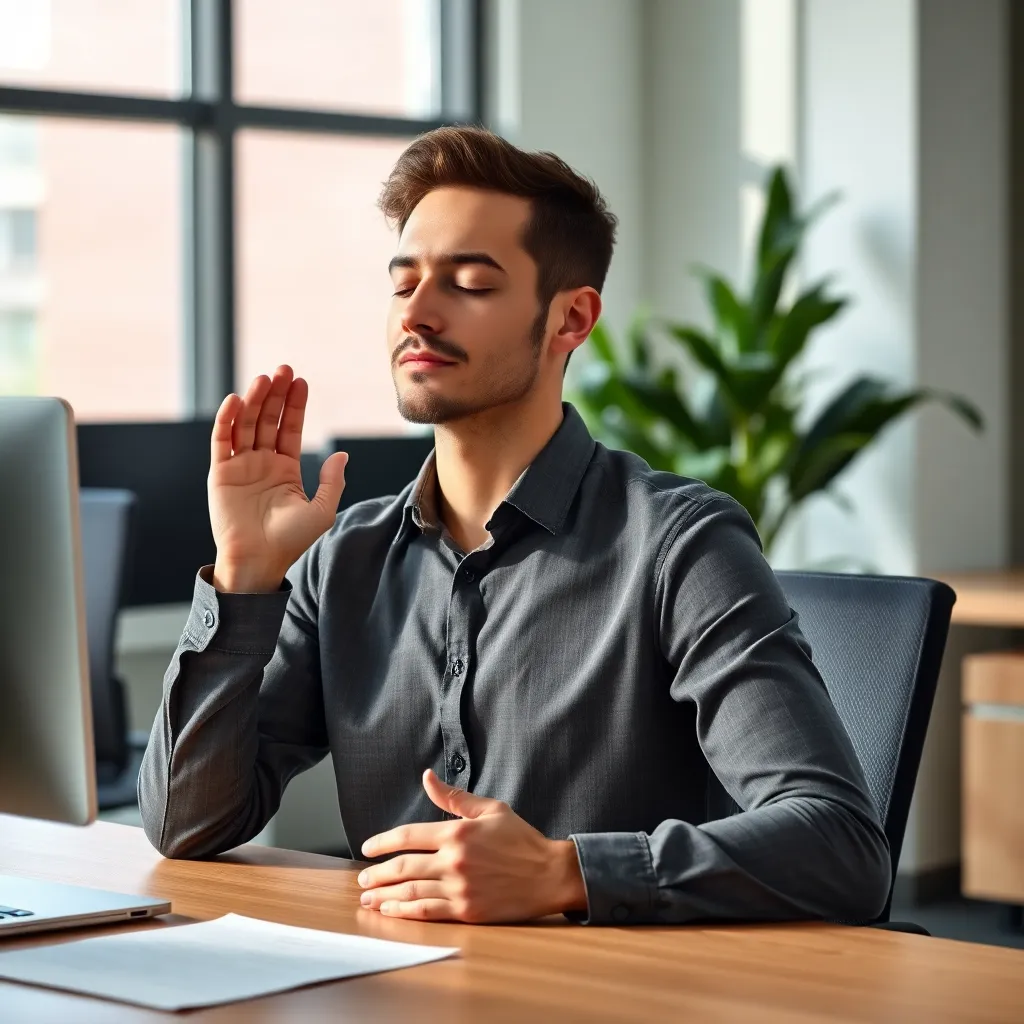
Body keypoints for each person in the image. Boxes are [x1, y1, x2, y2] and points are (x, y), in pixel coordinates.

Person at [139, 126, 890, 926]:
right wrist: (245, 573)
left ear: (571, 319)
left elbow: (841, 843)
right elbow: (189, 824)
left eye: (468, 283)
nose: (418, 315)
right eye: (403, 284)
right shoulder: (345, 560)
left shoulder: (679, 545)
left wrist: (569, 872)